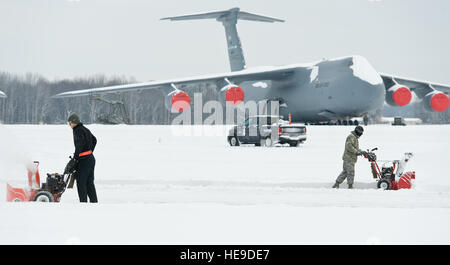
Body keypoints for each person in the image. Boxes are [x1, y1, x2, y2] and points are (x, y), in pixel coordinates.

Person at [68, 114, 98, 203]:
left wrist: (75, 158)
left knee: (81, 183)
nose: (69, 125)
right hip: (90, 158)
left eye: (70, 123)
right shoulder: (85, 129)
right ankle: (94, 202)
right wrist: (90, 151)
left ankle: (83, 204)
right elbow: (94, 140)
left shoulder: (77, 130)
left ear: (74, 122)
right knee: (89, 183)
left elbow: (79, 145)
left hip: (83, 160)